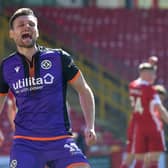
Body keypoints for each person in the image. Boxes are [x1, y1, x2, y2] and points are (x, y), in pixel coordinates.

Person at [0, 8, 97, 168]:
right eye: (21, 25)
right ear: (11, 33)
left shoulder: (59, 58)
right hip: (26, 144)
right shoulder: (6, 66)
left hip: (60, 141)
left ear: (37, 32)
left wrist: (90, 125)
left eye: (31, 24)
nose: (27, 27)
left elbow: (84, 90)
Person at [121, 62, 168, 168]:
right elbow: (161, 110)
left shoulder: (132, 86)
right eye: (152, 73)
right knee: (152, 160)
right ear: (145, 74)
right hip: (152, 126)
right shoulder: (150, 91)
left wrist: (150, 65)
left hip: (138, 127)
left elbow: (140, 82)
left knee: (138, 159)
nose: (154, 77)